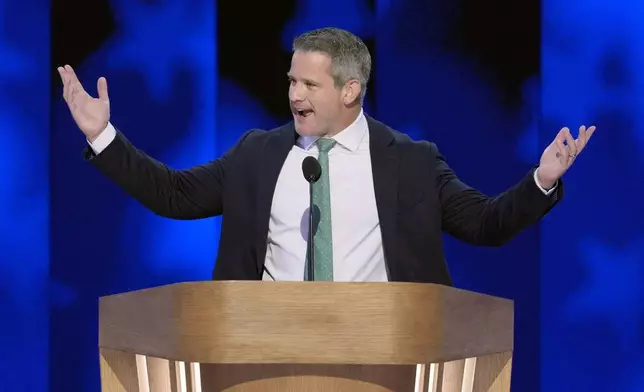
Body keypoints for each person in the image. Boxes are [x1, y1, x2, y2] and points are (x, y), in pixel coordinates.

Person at [57, 27, 594, 284]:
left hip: (385, 356)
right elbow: (173, 194)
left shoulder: (410, 162)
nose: (294, 95)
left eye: (310, 84)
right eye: (292, 80)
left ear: (350, 90)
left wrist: (540, 181)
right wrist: (104, 136)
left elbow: (485, 224)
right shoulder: (257, 154)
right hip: (266, 354)